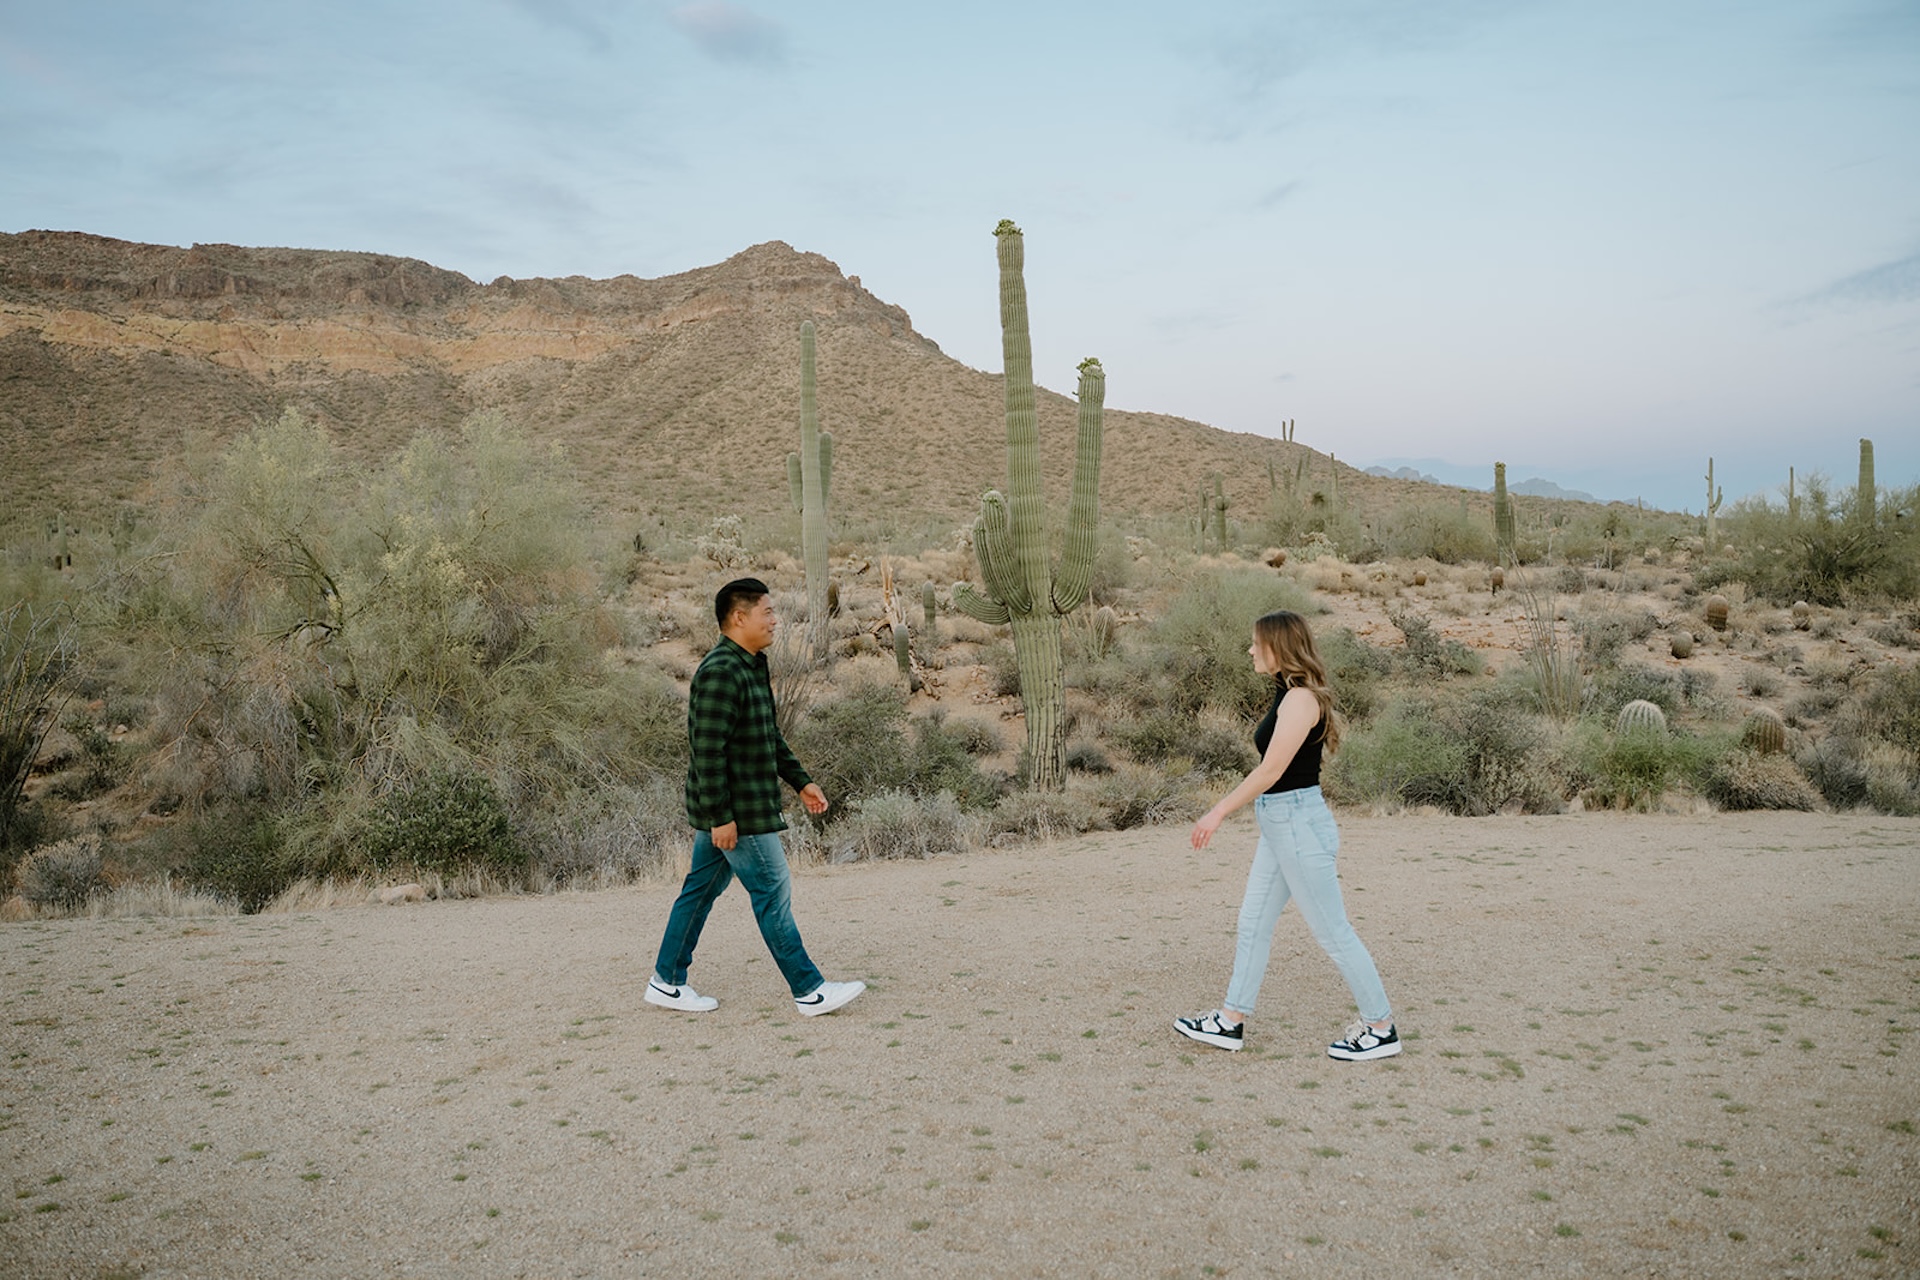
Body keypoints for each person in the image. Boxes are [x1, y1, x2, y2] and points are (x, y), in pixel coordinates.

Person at [1174, 610, 1399, 1061]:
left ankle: (1380, 1027)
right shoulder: (1289, 694)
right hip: (1281, 824)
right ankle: (1230, 1021)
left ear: (1279, 646)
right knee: (1253, 922)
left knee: (1333, 931)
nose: (1251, 650)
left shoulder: (1299, 700)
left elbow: (1272, 770)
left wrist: (1218, 811)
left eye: (1257, 643)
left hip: (1296, 823)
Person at [646, 577, 865, 1018]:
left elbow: (768, 736)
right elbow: (706, 751)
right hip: (738, 812)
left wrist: (801, 781)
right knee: (771, 890)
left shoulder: (751, 664)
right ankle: (809, 990)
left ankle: (666, 981)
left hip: (741, 806)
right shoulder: (720, 672)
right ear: (739, 617)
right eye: (767, 612)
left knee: (699, 891)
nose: (775, 620)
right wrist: (721, 817)